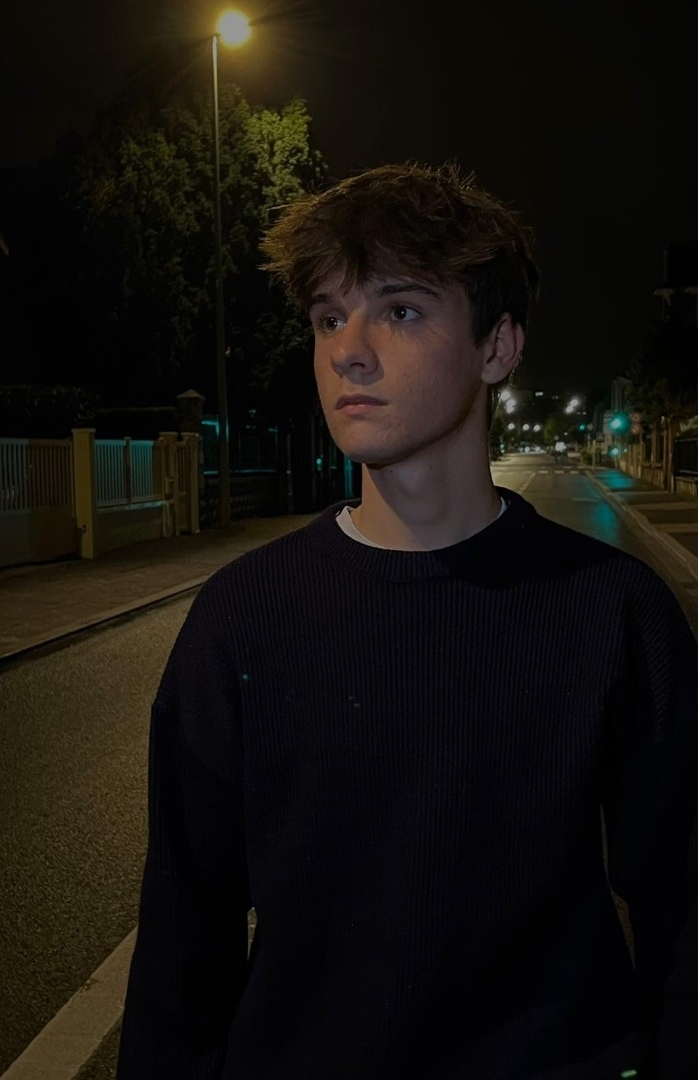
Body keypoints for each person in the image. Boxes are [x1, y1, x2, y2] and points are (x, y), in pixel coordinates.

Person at [117, 163, 698, 1079]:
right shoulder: (242, 619)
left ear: (497, 347)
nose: (348, 351)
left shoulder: (613, 611)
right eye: (327, 318)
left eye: (398, 309)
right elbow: (181, 950)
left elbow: (685, 916)